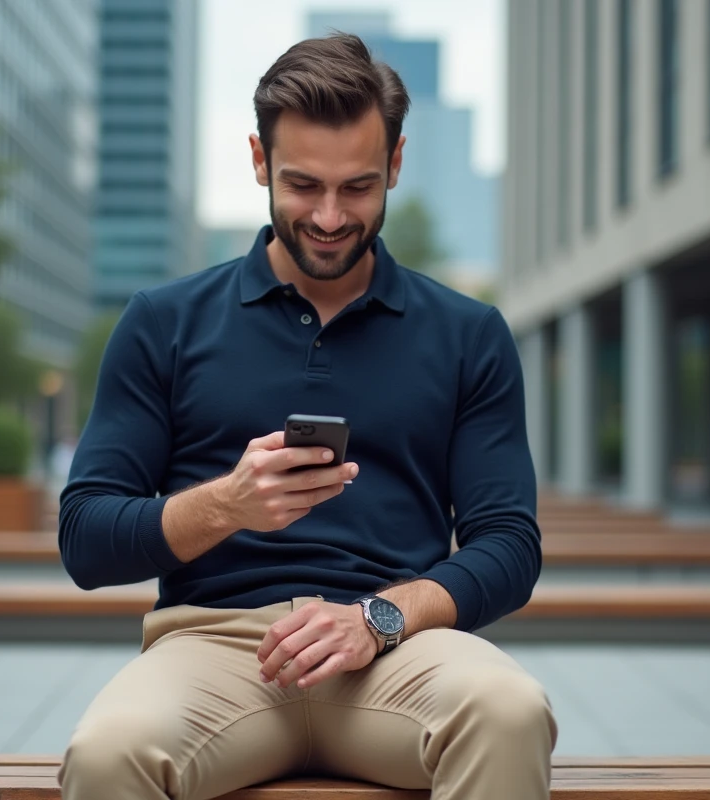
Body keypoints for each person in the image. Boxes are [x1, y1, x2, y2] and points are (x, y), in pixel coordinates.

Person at [56, 33, 557, 800]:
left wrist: (379, 617)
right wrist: (229, 504)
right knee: (107, 753)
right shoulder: (163, 322)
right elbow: (86, 540)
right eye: (303, 185)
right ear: (260, 160)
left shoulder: (468, 334)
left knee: (509, 711)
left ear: (395, 164)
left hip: (397, 648)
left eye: (357, 187)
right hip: (213, 649)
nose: (328, 216)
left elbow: (510, 546)